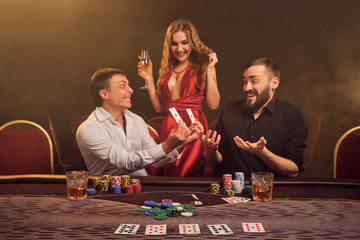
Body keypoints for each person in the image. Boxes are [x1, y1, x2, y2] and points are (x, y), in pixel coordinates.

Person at [76, 68, 204, 176]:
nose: (131, 90)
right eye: (123, 86)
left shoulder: (136, 120)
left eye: (128, 85)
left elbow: (157, 161)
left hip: (144, 187)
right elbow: (126, 162)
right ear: (104, 94)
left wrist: (182, 143)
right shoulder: (89, 129)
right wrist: (167, 145)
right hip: (109, 194)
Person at [138, 19, 220, 177]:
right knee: (169, 173)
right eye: (174, 44)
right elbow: (159, 107)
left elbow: (213, 104)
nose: (180, 48)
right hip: (170, 128)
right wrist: (148, 78)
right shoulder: (167, 69)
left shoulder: (203, 66)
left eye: (184, 43)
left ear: (192, 42)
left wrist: (210, 70)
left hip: (194, 127)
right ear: (169, 45)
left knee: (182, 174)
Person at [201, 58, 308, 178]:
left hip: (272, 193)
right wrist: (211, 151)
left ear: (274, 83)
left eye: (254, 81)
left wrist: (262, 152)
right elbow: (215, 161)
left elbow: (293, 171)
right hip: (231, 192)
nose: (247, 88)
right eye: (245, 81)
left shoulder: (292, 115)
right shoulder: (229, 111)